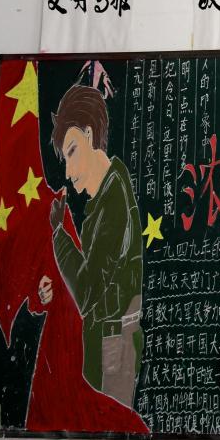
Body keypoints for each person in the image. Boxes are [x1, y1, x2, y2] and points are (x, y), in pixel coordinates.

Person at [38, 84, 143, 408]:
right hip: (106, 346)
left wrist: (59, 234)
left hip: (113, 350)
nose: (68, 172)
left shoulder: (114, 200)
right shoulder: (105, 198)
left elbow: (86, 291)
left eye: (72, 151)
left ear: (89, 134)